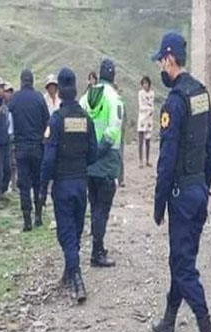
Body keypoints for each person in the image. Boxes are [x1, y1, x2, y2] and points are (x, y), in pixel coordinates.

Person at [149, 32, 211, 332]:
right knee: (182, 258)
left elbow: (166, 160)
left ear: (169, 59)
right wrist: (204, 185)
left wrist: (159, 202)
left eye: (160, 61)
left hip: (181, 194)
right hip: (198, 191)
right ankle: (168, 321)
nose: (160, 68)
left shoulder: (174, 102)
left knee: (182, 264)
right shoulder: (201, 94)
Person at [40, 68, 98, 303]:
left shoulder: (56, 120)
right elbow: (93, 154)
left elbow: (48, 160)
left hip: (63, 184)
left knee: (66, 233)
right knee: (75, 230)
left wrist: (43, 188)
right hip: (80, 183)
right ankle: (69, 270)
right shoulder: (86, 119)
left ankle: (77, 280)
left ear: (60, 92)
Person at [80, 59, 123, 268]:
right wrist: (99, 152)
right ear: (113, 76)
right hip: (106, 161)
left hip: (89, 162)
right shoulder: (114, 98)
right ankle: (97, 252)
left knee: (94, 203)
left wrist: (88, 153)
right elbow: (113, 130)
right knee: (102, 209)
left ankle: (97, 245)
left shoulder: (86, 97)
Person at [8, 69, 50, 232]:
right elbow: (47, 122)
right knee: (38, 183)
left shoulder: (15, 99)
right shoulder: (39, 98)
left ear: (21, 81)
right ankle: (38, 216)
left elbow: (9, 123)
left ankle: (27, 220)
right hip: (37, 147)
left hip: (21, 148)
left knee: (24, 185)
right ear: (32, 81)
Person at [137, 76, 155, 167]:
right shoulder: (140, 93)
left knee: (148, 140)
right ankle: (140, 160)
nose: (145, 85)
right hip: (142, 118)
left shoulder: (152, 93)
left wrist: (149, 109)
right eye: (144, 83)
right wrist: (148, 108)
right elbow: (141, 106)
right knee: (141, 140)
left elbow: (152, 105)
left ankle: (147, 160)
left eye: (146, 83)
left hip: (149, 119)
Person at [5, 82, 19, 192]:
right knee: (7, 162)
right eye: (6, 91)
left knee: (14, 162)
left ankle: (14, 184)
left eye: (10, 92)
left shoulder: (15, 106)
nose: (9, 94)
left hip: (14, 135)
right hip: (5, 136)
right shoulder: (1, 106)